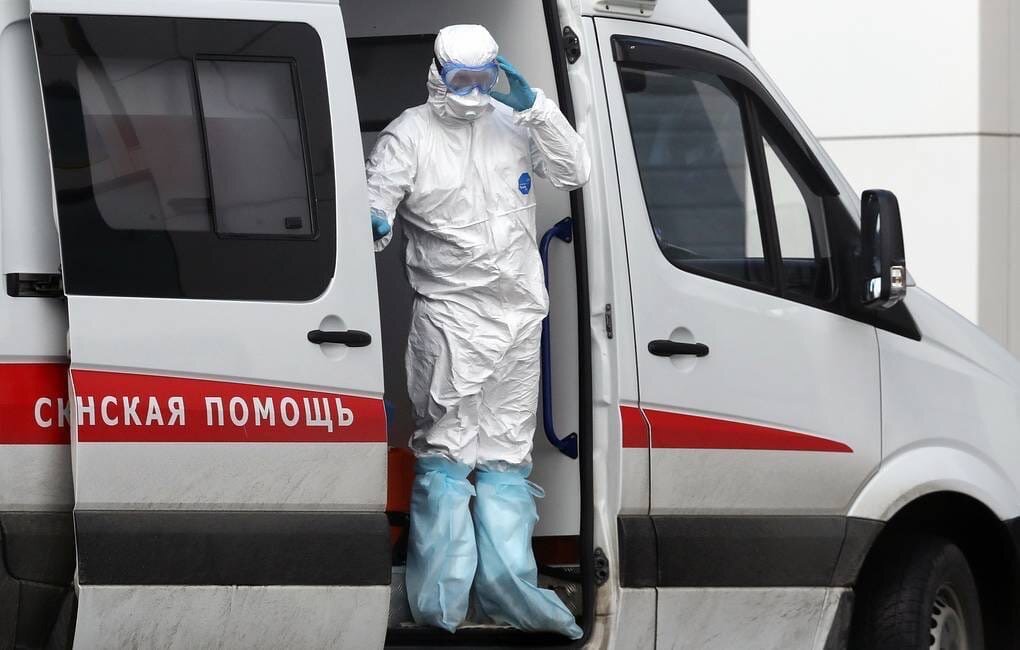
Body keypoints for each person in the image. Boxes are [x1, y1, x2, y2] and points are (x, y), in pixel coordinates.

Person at [366, 24, 589, 639]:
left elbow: (574, 170)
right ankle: (440, 606)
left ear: (498, 74)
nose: (472, 91)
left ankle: (509, 594)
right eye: (460, 79)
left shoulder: (514, 122)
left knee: (507, 456)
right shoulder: (410, 134)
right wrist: (374, 217)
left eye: (482, 78)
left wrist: (535, 105)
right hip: (451, 320)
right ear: (437, 74)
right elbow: (376, 199)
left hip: (518, 317)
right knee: (447, 455)